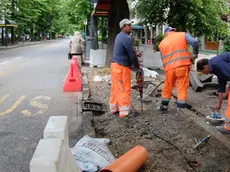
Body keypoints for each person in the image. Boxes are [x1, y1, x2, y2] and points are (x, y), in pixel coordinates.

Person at [158, 27, 199, 113]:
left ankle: (164, 106)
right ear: (173, 31)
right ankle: (181, 108)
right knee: (182, 86)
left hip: (169, 69)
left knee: (168, 86)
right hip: (182, 66)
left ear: (166, 34)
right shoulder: (182, 35)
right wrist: (195, 54)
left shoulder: (161, 43)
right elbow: (195, 42)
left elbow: (163, 59)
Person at [109, 19, 140, 118]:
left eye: (130, 25)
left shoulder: (120, 36)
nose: (131, 27)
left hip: (115, 66)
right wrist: (137, 67)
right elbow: (131, 54)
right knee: (124, 88)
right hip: (122, 67)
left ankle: (114, 108)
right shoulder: (126, 38)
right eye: (128, 25)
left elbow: (128, 51)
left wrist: (135, 53)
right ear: (123, 27)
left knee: (116, 88)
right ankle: (124, 112)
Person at [197, 53, 230, 134]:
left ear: (205, 67)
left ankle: (228, 129)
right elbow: (221, 85)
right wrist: (219, 103)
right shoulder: (215, 67)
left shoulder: (217, 63)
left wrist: (228, 89)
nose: (205, 74)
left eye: (203, 71)